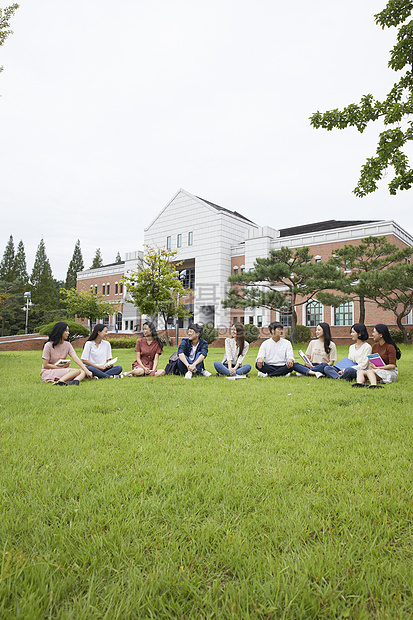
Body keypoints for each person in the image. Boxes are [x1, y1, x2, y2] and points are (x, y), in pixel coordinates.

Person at [41, 321, 93, 385]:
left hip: (61, 370)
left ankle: (74, 382)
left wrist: (86, 370)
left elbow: (75, 358)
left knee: (83, 372)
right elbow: (45, 365)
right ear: (60, 331)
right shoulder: (48, 345)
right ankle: (60, 381)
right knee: (76, 371)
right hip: (49, 371)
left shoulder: (67, 344)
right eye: (66, 331)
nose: (68, 333)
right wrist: (60, 368)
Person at [353, 323, 401, 388]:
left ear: (381, 335)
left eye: (374, 332)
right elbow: (372, 361)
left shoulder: (390, 347)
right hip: (377, 370)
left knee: (370, 372)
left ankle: (374, 385)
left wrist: (378, 368)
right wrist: (373, 366)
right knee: (360, 372)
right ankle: (359, 384)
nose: (372, 334)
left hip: (390, 371)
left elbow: (392, 366)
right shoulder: (375, 346)